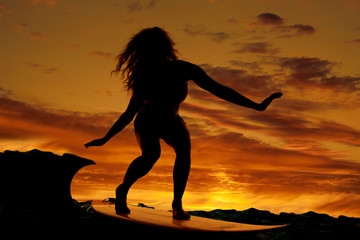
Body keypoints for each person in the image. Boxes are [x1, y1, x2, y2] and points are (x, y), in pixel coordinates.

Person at [84, 27, 282, 220]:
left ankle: (177, 204)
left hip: (172, 120)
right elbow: (129, 113)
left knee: (184, 150)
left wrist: (256, 106)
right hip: (147, 121)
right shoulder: (144, 76)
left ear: (165, 49)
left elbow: (219, 90)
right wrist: (105, 138)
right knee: (151, 155)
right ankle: (122, 189)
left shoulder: (185, 69)